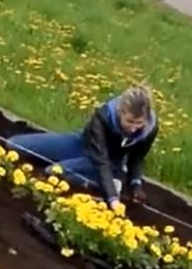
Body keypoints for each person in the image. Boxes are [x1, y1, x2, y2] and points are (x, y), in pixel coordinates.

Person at [8, 86, 158, 207]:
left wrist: (135, 184)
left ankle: (108, 183)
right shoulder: (103, 116)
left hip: (109, 162)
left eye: (139, 123)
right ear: (120, 112)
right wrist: (113, 197)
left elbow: (137, 157)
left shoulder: (150, 128)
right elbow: (100, 157)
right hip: (83, 145)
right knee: (14, 145)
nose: (133, 128)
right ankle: (102, 181)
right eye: (129, 121)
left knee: (53, 172)